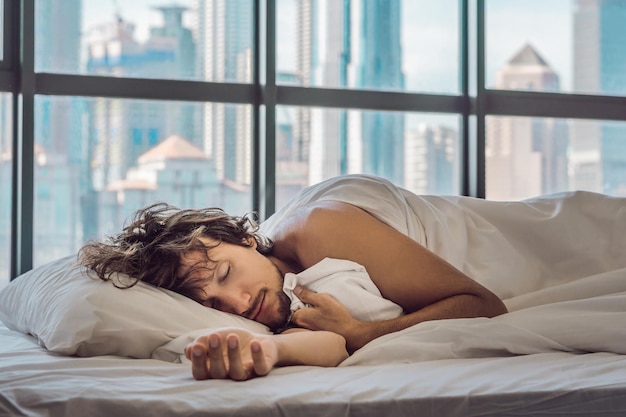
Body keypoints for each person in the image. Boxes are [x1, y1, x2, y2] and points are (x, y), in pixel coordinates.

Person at [79, 174, 509, 381]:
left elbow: (482, 304)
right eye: (211, 304)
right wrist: (266, 350)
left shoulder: (319, 230)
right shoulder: (281, 297)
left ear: (247, 238)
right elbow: (322, 342)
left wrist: (364, 333)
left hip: (521, 244)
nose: (238, 303)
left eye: (226, 273)